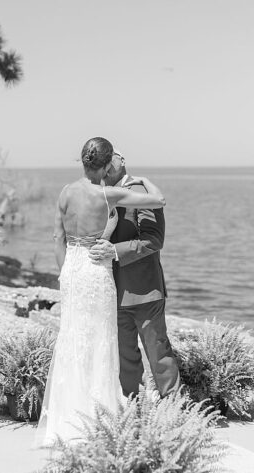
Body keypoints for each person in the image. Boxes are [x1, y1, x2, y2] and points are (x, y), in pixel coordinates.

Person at [35, 137, 166, 446]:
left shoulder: (66, 192)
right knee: (100, 341)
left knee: (73, 338)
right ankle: (97, 417)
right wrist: (144, 180)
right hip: (95, 273)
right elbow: (158, 201)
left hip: (72, 271)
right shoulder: (108, 195)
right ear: (107, 166)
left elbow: (57, 236)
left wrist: (65, 272)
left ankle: (67, 417)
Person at [88, 149, 180, 397]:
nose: (109, 160)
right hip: (112, 292)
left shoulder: (141, 195)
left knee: (159, 354)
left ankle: (174, 412)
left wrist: (114, 250)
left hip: (145, 293)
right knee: (125, 358)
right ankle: (134, 414)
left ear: (122, 160)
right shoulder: (98, 197)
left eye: (113, 155)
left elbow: (154, 240)